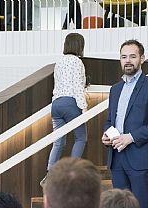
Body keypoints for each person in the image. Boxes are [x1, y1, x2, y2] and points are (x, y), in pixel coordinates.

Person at [101, 39, 148, 208]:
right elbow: (110, 120)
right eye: (124, 57)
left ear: (142, 59)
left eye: (133, 56)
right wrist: (107, 134)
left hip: (141, 160)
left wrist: (131, 137)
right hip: (117, 160)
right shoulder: (115, 89)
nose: (128, 61)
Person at [40, 33, 88, 186]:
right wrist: (84, 107)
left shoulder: (59, 62)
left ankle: (50, 174)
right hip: (70, 103)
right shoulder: (77, 62)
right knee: (81, 138)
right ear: (79, 46)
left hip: (56, 104)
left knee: (59, 141)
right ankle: (71, 173)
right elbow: (78, 86)